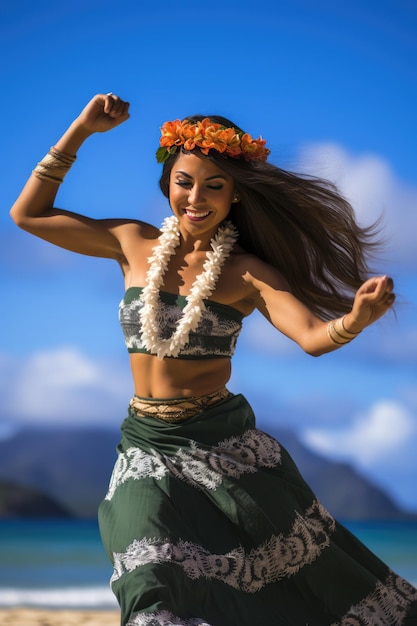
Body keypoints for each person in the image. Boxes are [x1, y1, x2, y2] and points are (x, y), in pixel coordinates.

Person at [10, 93, 417, 626]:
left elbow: (314, 337)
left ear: (235, 196)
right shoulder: (133, 243)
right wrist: (81, 130)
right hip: (145, 444)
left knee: (308, 580)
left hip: (222, 447)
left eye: (214, 185)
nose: (195, 197)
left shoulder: (248, 272)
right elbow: (28, 215)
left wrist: (355, 320)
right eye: (184, 182)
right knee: (147, 577)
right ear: (168, 184)